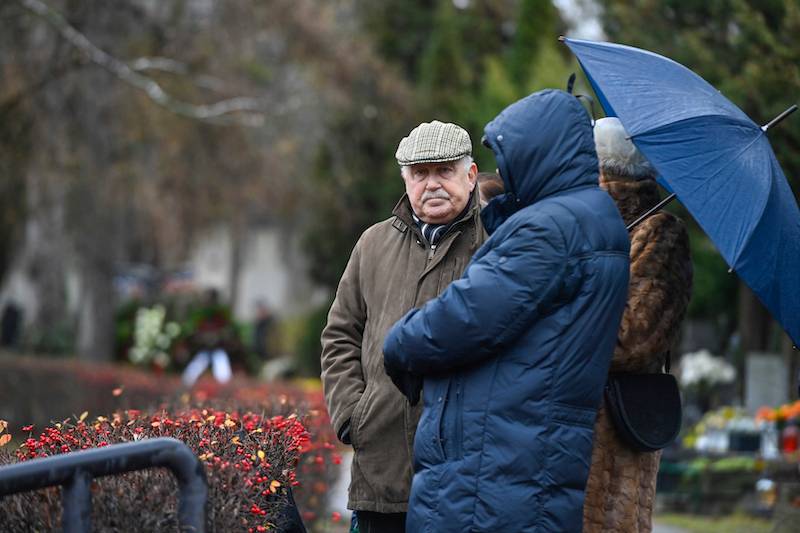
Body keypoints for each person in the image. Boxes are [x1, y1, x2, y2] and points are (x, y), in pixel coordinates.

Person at [382, 90, 631, 532]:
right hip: (520, 457)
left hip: (496, 468)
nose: (507, 169)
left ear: (538, 151)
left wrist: (399, 344)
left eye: (510, 154)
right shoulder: (586, 218)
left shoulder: (551, 229)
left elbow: (468, 316)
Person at [320, 120, 487, 533]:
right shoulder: (373, 243)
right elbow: (340, 334)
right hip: (382, 469)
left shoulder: (497, 240)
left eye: (444, 171)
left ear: (470, 175)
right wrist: (351, 416)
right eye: (419, 173)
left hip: (466, 473)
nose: (431, 184)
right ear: (405, 180)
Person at [582, 117, 693, 533]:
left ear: (601, 167)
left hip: (615, 425)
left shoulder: (659, 232)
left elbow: (633, 338)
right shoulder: (578, 224)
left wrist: (563, 322)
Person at [182, 288, 234, 386]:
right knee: (194, 370)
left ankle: (225, 387)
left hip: (218, 347)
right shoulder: (201, 313)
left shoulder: (221, 313)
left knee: (222, 369)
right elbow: (195, 330)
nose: (209, 302)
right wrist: (203, 337)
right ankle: (186, 383)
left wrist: (218, 336)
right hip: (205, 347)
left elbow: (227, 330)